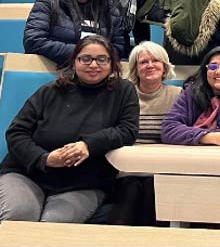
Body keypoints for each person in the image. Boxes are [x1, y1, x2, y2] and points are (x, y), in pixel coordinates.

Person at [0, 36, 139, 222]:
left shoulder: (123, 91)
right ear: (74, 61)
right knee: (18, 215)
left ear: (112, 63)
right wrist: (44, 159)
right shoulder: (49, 91)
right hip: (28, 173)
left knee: (53, 224)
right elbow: (16, 132)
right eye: (85, 58)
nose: (93, 65)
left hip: (84, 182)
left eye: (102, 59)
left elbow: (128, 130)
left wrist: (88, 145)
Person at [107, 41, 180, 226]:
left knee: (151, 191)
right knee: (130, 190)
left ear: (164, 67)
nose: (150, 65)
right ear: (135, 69)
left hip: (161, 167)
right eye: (143, 62)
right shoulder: (122, 95)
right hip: (125, 167)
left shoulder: (178, 95)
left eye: (155, 61)